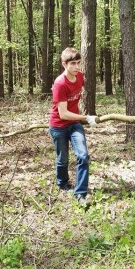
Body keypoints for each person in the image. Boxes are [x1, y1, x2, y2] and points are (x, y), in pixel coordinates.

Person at [49, 47, 97, 206]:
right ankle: (62, 184)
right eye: (73, 64)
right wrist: (86, 117)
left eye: (78, 63)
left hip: (74, 124)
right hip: (58, 126)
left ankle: (80, 194)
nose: (77, 67)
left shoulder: (80, 77)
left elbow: (76, 99)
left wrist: (80, 116)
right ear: (64, 64)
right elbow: (63, 114)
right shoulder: (60, 84)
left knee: (83, 155)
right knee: (62, 159)